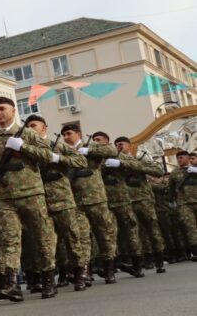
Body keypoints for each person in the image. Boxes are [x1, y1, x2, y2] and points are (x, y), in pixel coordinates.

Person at [0, 97, 54, 302]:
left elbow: (48, 156)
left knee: (42, 237)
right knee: (9, 240)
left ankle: (48, 279)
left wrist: (23, 147)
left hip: (32, 193)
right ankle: (12, 284)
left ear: (13, 110)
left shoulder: (28, 134)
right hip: (6, 198)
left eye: (2, 109)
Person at [26, 116, 91, 291]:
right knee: (45, 241)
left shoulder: (59, 147)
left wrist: (58, 159)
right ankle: (49, 281)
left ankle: (79, 275)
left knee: (72, 238)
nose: (30, 129)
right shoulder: (27, 151)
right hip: (40, 201)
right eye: (27, 126)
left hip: (62, 199)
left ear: (44, 128)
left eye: (33, 125)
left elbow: (81, 161)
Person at [61, 123, 119, 283]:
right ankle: (85, 271)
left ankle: (109, 269)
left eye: (68, 133)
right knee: (81, 236)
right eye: (64, 135)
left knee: (104, 234)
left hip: (96, 198)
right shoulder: (65, 151)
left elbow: (112, 151)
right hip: (76, 201)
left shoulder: (90, 145)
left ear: (78, 134)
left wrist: (89, 151)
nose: (66, 137)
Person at [93, 131, 145, 279]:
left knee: (131, 234)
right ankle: (110, 269)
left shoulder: (117, 156)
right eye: (94, 140)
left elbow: (137, 164)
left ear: (107, 142)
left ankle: (137, 265)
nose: (96, 142)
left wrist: (120, 163)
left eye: (99, 140)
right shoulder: (93, 159)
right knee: (107, 235)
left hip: (122, 201)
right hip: (104, 202)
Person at [115, 137, 167, 273]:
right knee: (133, 233)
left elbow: (158, 170)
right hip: (126, 201)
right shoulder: (112, 162)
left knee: (153, 230)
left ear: (130, 146)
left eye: (121, 144)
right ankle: (140, 263)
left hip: (143, 199)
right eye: (116, 145)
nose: (118, 147)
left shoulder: (140, 159)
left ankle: (159, 261)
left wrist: (128, 164)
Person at [168, 151, 197, 257]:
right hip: (184, 204)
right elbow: (171, 188)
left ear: (188, 158)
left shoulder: (195, 168)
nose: (179, 160)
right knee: (190, 227)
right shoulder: (174, 173)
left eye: (181, 157)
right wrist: (171, 201)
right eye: (178, 158)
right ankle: (195, 251)